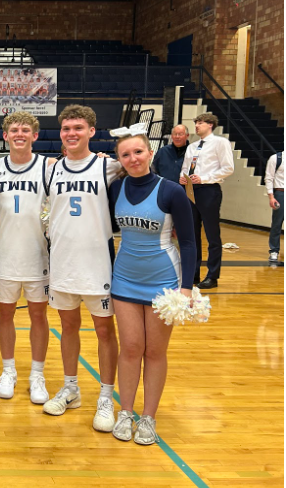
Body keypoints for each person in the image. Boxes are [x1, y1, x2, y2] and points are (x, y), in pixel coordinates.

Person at [108, 126, 196, 445]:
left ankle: (148, 417)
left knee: (155, 351)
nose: (133, 158)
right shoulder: (115, 189)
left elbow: (188, 242)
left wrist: (186, 288)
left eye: (138, 152)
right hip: (125, 280)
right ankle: (126, 412)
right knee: (131, 348)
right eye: (125, 154)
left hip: (163, 281)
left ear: (150, 153)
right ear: (119, 159)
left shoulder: (170, 190)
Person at [42, 104, 120, 433]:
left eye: (78, 128)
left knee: (104, 331)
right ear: (60, 134)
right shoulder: (50, 170)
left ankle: (105, 396)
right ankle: (71, 388)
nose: (71, 133)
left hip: (98, 264)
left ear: (92, 131)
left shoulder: (109, 167)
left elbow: (144, 165)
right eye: (66, 128)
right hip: (62, 262)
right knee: (68, 326)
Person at [0, 111, 53, 403]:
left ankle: (37, 374)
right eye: (14, 129)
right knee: (5, 314)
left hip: (39, 255)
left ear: (35, 136)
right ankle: (8, 369)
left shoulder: (49, 167)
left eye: (26, 129)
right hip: (6, 255)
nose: (20, 134)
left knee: (39, 315)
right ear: (6, 136)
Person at [179, 113, 234, 289]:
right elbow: (185, 167)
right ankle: (193, 274)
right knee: (192, 234)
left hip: (209, 189)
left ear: (210, 125)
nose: (196, 126)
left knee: (212, 235)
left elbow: (228, 168)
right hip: (190, 190)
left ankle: (212, 275)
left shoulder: (220, 143)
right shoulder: (192, 146)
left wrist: (204, 178)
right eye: (195, 123)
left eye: (200, 123)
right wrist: (182, 177)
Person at [264, 151, 284, 262]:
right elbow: (269, 177)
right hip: (281, 193)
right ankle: (274, 251)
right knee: (277, 223)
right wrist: (271, 196)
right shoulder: (276, 158)